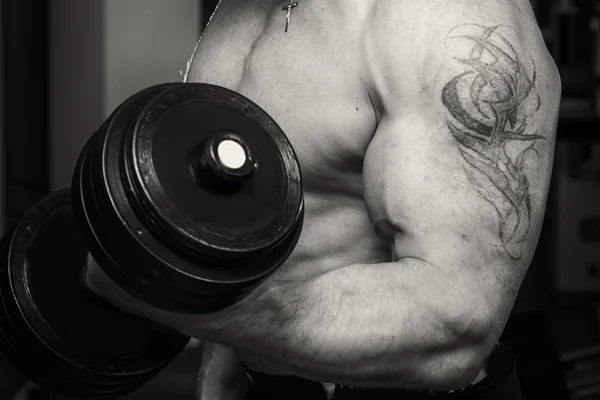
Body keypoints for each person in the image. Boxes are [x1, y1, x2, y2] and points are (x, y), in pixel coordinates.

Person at [85, 0, 562, 398]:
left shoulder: (450, 22)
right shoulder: (241, 9)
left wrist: (172, 300)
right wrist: (224, 370)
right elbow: (264, 233)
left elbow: (456, 328)